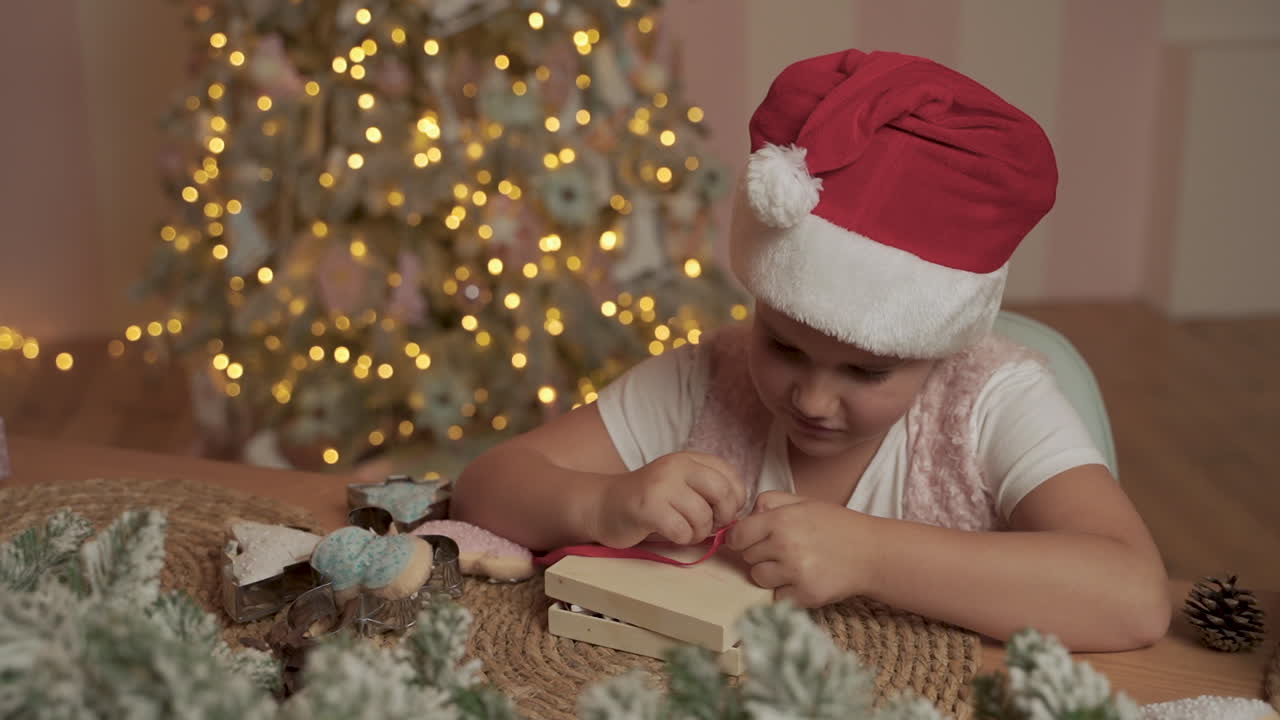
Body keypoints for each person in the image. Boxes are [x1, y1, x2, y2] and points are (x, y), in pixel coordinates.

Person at [452, 48, 1171, 651]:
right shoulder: (705, 379)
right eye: (784, 347)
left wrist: (870, 555)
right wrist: (602, 502)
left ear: (939, 345)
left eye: (866, 371)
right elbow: (486, 485)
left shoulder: (991, 401)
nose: (814, 400)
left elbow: (1134, 596)